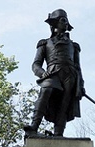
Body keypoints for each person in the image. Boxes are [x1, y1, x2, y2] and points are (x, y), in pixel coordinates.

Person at [24, 9, 84, 137]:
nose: (66, 23)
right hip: (52, 73)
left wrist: (81, 85)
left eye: (67, 21)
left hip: (70, 75)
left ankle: (58, 133)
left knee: (64, 103)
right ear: (55, 23)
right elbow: (36, 64)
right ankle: (34, 126)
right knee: (46, 91)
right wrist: (41, 73)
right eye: (63, 20)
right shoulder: (44, 43)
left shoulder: (74, 46)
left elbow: (78, 67)